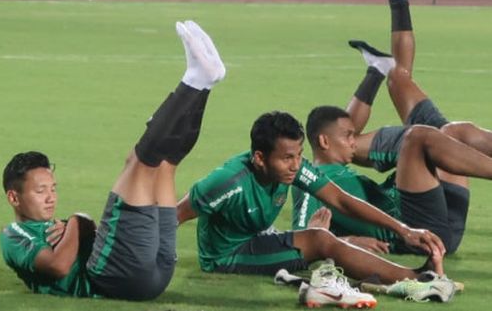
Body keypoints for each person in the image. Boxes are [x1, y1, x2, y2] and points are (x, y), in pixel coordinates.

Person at [0, 20, 225, 300]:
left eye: (53, 188)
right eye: (40, 191)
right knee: (140, 163)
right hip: (115, 279)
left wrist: (80, 227)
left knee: (166, 166)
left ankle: (204, 85)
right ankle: (195, 80)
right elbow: (58, 266)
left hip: (149, 272)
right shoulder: (13, 235)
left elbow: (91, 238)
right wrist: (78, 221)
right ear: (14, 197)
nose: (50, 198)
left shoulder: (50, 225)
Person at [293, 0, 492, 256]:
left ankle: (395, 5)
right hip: (421, 228)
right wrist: (349, 241)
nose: (353, 140)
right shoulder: (311, 180)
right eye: (348, 137)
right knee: (427, 131)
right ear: (324, 143)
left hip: (427, 211)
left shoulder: (332, 168)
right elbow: (303, 235)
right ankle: (386, 35)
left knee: (435, 118)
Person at [176, 109, 456, 305]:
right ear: (259, 158)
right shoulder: (228, 182)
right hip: (226, 256)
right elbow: (174, 216)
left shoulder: (292, 169)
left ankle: (408, 278)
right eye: (287, 157)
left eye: (299, 155)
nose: (296, 165)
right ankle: (420, 280)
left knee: (321, 238)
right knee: (320, 239)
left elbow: (341, 199)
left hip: (258, 237)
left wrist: (404, 229)